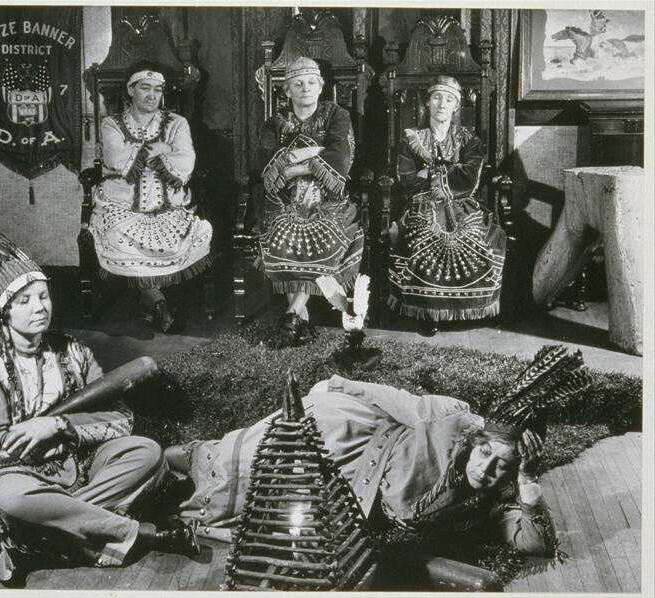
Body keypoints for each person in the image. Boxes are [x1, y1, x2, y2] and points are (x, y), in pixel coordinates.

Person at [0, 215, 198, 587]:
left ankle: (39, 543)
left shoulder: (72, 350)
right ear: (4, 310)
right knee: (8, 499)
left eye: (43, 296)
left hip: (78, 465)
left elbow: (121, 420)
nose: (40, 307)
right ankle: (142, 534)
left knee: (146, 453)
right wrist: (40, 438)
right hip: (14, 477)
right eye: (25, 301)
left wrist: (57, 426)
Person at [165, 344, 590, 558]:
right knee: (240, 461)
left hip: (353, 494)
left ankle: (175, 478)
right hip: (351, 436)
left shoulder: (495, 498)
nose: (487, 469)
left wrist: (527, 480)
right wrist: (342, 385)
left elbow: (535, 543)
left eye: (503, 466)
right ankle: (182, 455)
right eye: (485, 454)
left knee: (262, 509)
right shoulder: (456, 417)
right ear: (478, 440)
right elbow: (401, 402)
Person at [89, 62, 213, 332]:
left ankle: (151, 304)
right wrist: (162, 148)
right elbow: (116, 157)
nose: (152, 95)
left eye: (158, 90)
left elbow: (185, 162)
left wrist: (141, 151)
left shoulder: (177, 123)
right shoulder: (111, 124)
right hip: (121, 204)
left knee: (185, 234)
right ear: (130, 90)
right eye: (145, 88)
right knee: (118, 236)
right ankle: (159, 303)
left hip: (168, 205)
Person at [387, 75, 506, 336]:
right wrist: (450, 171)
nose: (442, 104)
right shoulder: (412, 139)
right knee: (423, 235)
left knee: (477, 237)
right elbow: (406, 179)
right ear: (427, 103)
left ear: (456, 106)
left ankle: (473, 308)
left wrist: (431, 173)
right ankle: (429, 311)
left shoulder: (469, 140)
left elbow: (470, 177)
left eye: (449, 99)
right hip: (422, 203)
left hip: (462, 204)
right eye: (437, 97)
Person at [258, 57, 364, 345]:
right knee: (283, 234)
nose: (305, 88)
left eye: (311, 83)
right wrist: (315, 153)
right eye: (298, 84)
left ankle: (291, 314)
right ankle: (299, 320)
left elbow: (341, 157)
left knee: (322, 236)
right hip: (284, 197)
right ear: (287, 90)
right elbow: (267, 162)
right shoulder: (274, 123)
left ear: (321, 86)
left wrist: (294, 161)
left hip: (328, 198)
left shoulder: (337, 116)